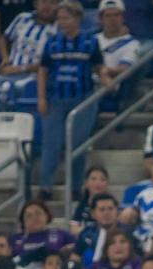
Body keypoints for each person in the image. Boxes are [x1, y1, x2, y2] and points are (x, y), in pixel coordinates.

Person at [37, 0, 111, 199]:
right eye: (60, 18)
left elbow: (98, 65)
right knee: (51, 144)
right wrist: (42, 98)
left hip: (83, 99)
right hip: (56, 99)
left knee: (78, 145)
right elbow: (43, 71)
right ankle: (45, 186)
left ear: (78, 18)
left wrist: (105, 78)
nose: (62, 22)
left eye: (66, 18)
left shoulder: (90, 42)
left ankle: (76, 186)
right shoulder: (52, 42)